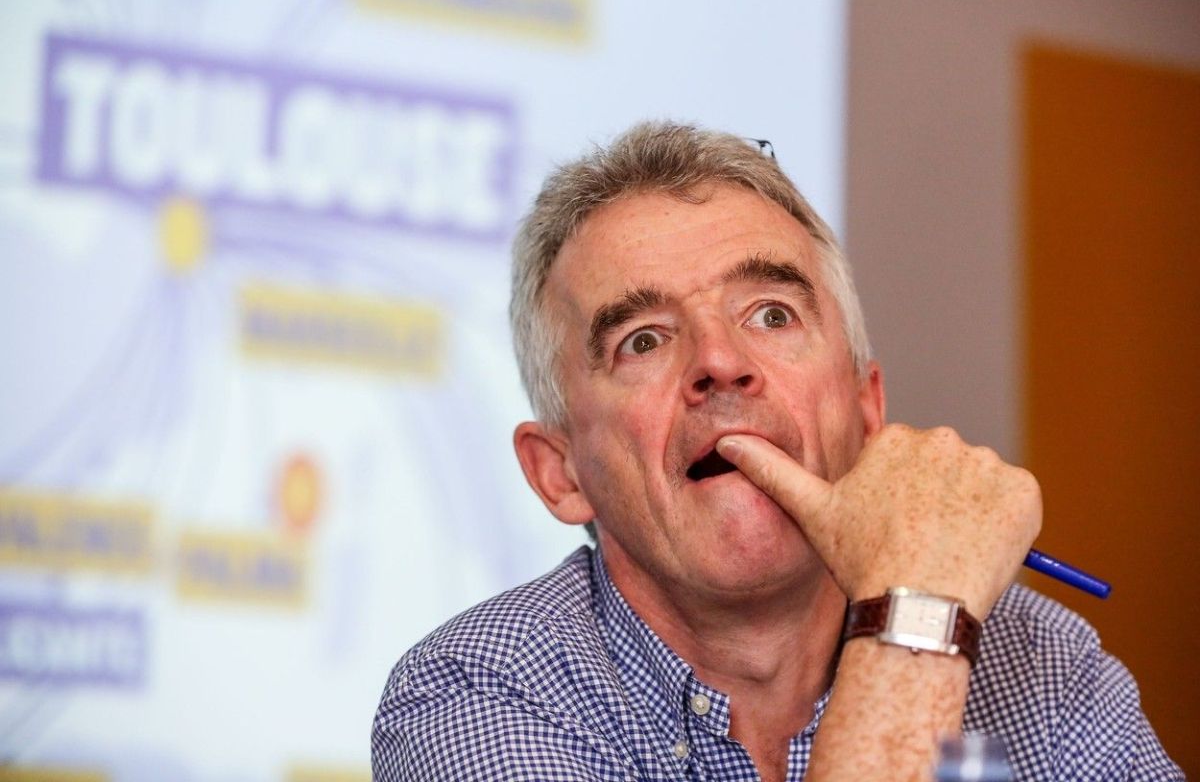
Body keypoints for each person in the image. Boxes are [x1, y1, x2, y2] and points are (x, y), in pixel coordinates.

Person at [371, 122, 1182, 781]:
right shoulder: (477, 686)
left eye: (771, 314)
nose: (721, 362)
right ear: (560, 474)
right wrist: (918, 624)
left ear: (866, 411)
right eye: (643, 339)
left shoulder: (1040, 662)